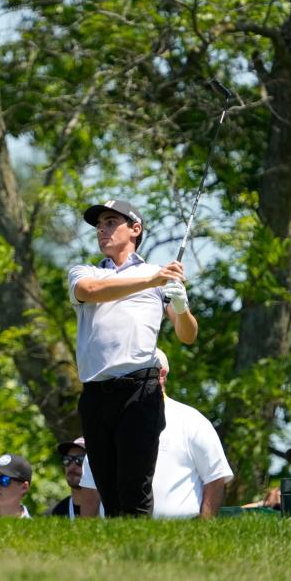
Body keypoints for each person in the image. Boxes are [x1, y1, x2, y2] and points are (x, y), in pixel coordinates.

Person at [69, 200, 198, 516]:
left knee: (134, 488)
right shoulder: (86, 271)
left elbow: (188, 334)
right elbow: (92, 290)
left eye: (111, 222)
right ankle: (120, 562)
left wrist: (180, 307)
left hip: (140, 390)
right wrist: (155, 281)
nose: (102, 230)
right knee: (110, 494)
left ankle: (141, 558)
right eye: (99, 225)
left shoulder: (158, 275)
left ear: (135, 229)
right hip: (96, 393)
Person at [79, 349, 233, 519]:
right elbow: (91, 490)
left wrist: (203, 532)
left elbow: (215, 478)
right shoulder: (107, 422)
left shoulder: (192, 420)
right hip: (117, 535)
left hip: (182, 537)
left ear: (161, 374)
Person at [49, 437, 99, 519]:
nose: (72, 466)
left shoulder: (107, 507)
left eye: (80, 460)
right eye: (67, 460)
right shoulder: (59, 511)